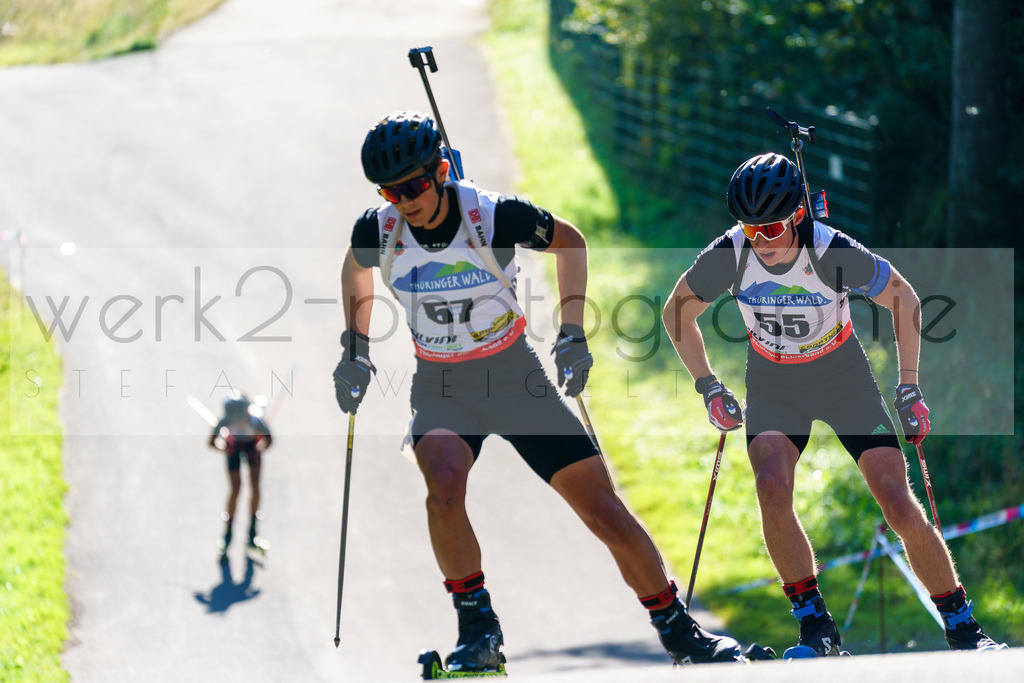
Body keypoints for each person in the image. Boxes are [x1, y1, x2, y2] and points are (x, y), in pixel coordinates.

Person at [332, 110, 751, 670]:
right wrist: (355, 350)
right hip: (442, 382)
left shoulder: (494, 214)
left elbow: (571, 244)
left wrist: (572, 332)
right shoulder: (378, 229)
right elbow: (354, 271)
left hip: (513, 375)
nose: (402, 200)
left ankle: (678, 630)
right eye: (389, 190)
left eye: (412, 185)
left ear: (438, 171)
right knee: (443, 483)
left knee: (602, 509)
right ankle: (478, 628)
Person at [662, 152, 1007, 655]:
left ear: (799, 214)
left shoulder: (831, 251)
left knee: (895, 498)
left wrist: (908, 387)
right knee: (770, 483)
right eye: (750, 228)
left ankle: (964, 630)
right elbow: (678, 311)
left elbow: (904, 298)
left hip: (841, 374)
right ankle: (816, 628)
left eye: (774, 227)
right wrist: (708, 385)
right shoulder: (729, 254)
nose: (762, 241)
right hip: (773, 378)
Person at [209, 390, 272, 558]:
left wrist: (259, 447)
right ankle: (228, 532)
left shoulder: (256, 422)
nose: (241, 421)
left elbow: (269, 440)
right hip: (234, 448)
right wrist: (226, 448)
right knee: (236, 489)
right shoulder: (224, 422)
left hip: (252, 449)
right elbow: (211, 442)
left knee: (255, 488)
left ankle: (252, 532)